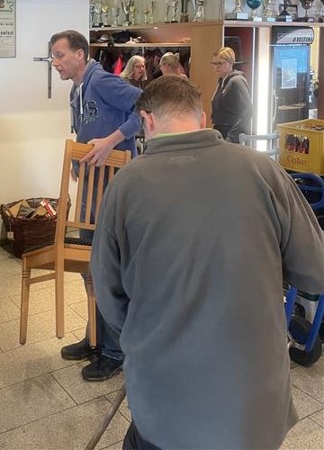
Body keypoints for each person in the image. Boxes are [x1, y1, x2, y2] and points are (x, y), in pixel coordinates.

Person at [91, 76, 324, 450]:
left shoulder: (125, 185)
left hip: (166, 406)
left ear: (147, 121)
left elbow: (107, 291)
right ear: (202, 119)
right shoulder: (263, 170)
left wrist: (146, 337)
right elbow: (316, 268)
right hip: (255, 409)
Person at [50, 30, 141, 382]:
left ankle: (115, 351)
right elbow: (87, 129)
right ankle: (96, 338)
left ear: (80, 54)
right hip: (92, 187)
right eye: (53, 56)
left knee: (108, 270)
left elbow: (145, 106)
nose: (55, 62)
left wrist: (111, 141)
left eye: (60, 55)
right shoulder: (78, 88)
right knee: (93, 268)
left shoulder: (101, 80)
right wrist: (80, 155)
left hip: (112, 188)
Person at [211, 46, 253, 142]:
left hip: (231, 132)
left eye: (220, 63)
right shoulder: (222, 80)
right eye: (214, 63)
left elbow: (248, 111)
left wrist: (232, 136)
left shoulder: (236, 81)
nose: (216, 66)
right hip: (221, 131)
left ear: (231, 63)